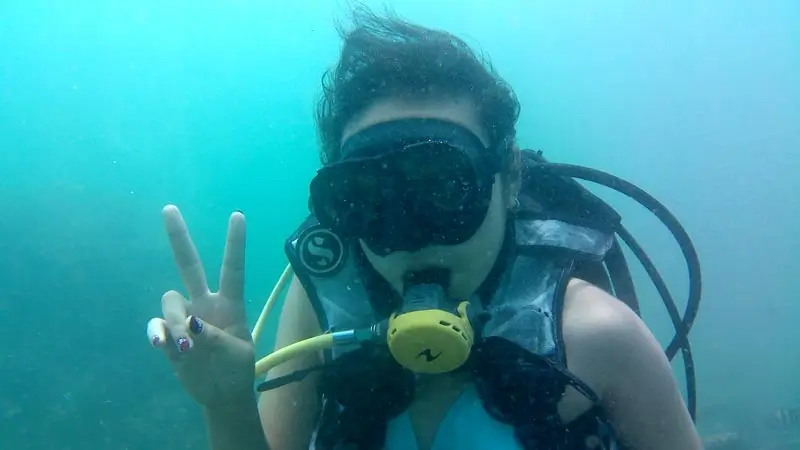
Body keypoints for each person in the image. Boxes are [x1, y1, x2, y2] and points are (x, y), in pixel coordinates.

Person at [146, 8, 703, 450]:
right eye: (369, 198)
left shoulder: (601, 337)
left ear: (508, 177)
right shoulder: (325, 304)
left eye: (443, 188)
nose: (411, 238)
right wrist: (226, 406)